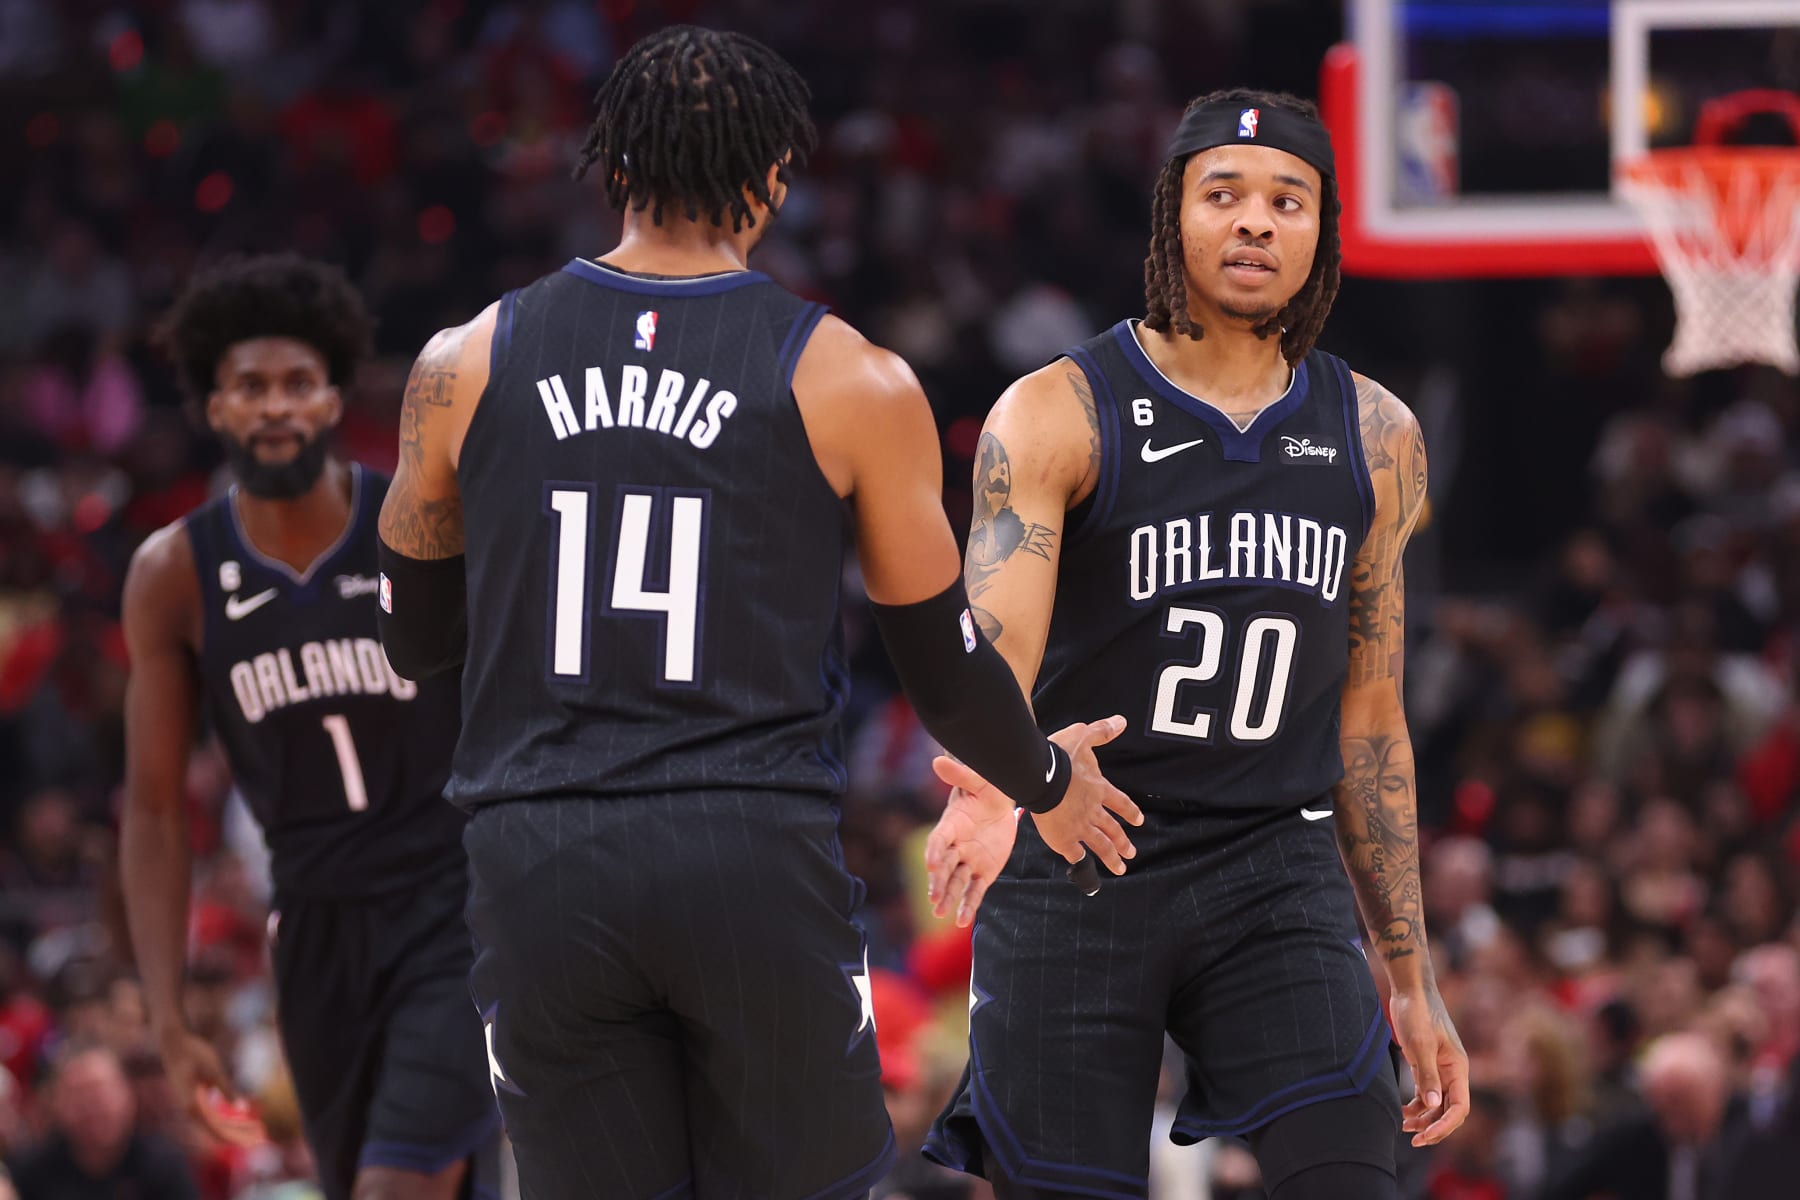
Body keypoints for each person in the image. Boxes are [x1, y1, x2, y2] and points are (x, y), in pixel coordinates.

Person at [373, 24, 1138, 1200]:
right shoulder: (851, 377)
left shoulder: (459, 363)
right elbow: (942, 668)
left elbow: (415, 641)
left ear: (613, 166)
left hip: (538, 857)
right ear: (776, 177)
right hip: (743, 849)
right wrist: (1045, 779)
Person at [918, 90, 1470, 1200]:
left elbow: (1370, 721)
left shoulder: (1377, 435)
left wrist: (1411, 977)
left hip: (1274, 866)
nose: (1256, 220)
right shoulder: (1058, 411)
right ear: (1173, 216)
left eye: (1287, 200)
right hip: (1081, 849)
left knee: (1352, 1175)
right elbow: (995, 649)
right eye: (1224, 194)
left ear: (1321, 233)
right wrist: (991, 790)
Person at [118, 255, 500, 1200]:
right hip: (314, 927)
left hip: (453, 905)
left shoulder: (421, 526)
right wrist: (167, 1013)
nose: (276, 406)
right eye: (250, 386)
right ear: (214, 407)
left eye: (298, 383)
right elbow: (155, 809)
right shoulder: (174, 575)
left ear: (334, 399)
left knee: (394, 1186)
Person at [4, 1042, 196, 1200]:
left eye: (100, 1092)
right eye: (79, 1095)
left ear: (127, 1094)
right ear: (57, 1105)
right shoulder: (30, 1171)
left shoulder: (164, 1164)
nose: (92, 1107)